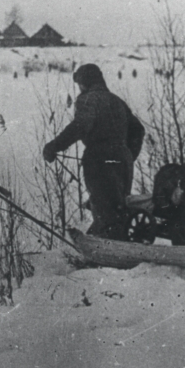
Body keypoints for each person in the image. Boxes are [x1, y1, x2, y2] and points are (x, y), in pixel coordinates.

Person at [43, 63, 145, 240]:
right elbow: (138, 130)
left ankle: (106, 252)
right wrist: (127, 155)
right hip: (122, 159)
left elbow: (80, 126)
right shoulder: (116, 100)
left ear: (85, 82)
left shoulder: (88, 99)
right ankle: (117, 245)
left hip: (99, 159)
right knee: (119, 207)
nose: (79, 88)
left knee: (104, 208)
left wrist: (54, 147)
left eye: (80, 83)